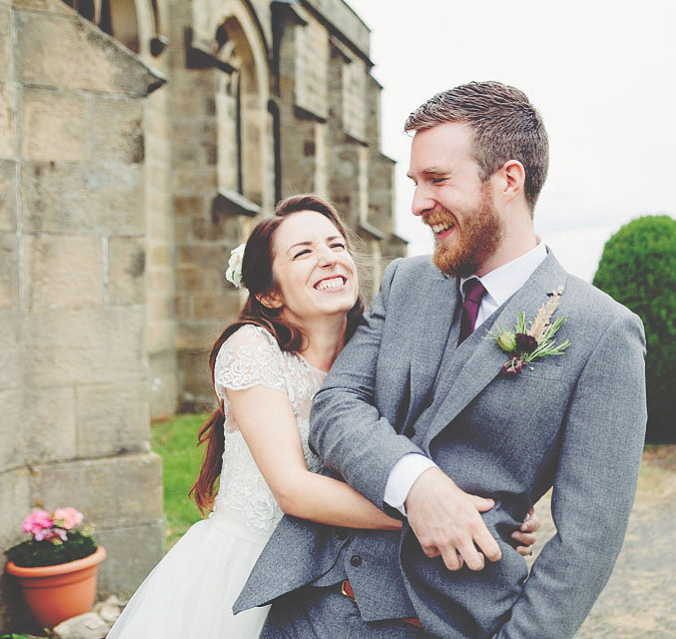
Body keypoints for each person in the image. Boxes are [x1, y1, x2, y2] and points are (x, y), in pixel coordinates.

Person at [236, 82, 647, 639]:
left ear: (507, 180)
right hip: (308, 610)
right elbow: (336, 405)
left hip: (446, 623)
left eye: (437, 180)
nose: (417, 204)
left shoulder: (603, 332)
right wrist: (416, 485)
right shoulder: (406, 282)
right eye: (415, 182)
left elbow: (588, 540)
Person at [106, 193, 543, 639]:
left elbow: (420, 450)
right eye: (303, 252)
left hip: (334, 582)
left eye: (336, 246)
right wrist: (438, 513)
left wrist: (488, 508)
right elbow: (295, 491)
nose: (329, 259)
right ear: (269, 293)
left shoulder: (377, 355)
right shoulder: (253, 348)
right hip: (248, 571)